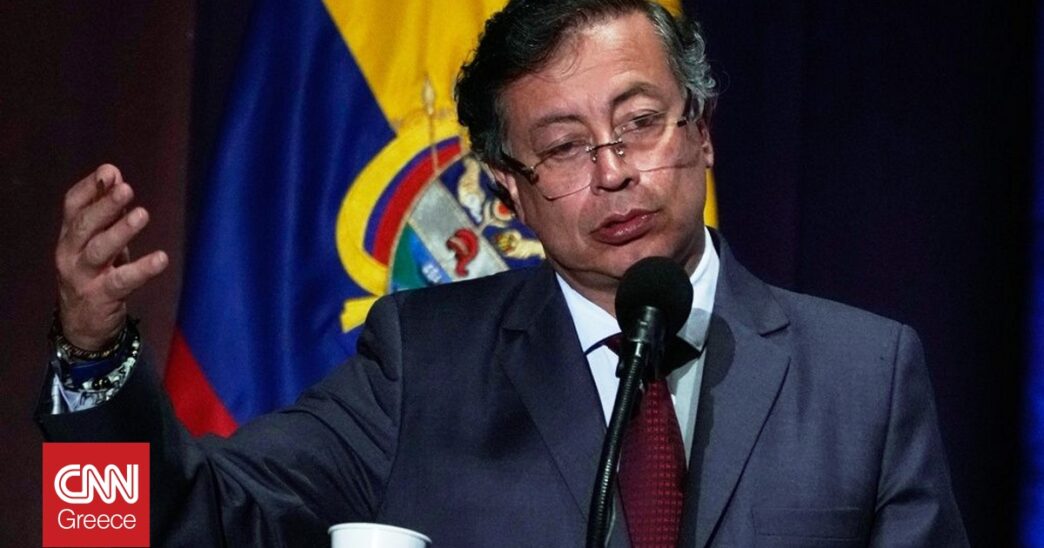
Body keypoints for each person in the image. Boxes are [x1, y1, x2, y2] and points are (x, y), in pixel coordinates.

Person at [38, 0, 968, 546]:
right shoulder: (422, 367)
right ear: (510, 191)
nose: (613, 171)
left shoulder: (864, 375)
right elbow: (142, 528)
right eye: (563, 147)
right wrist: (92, 363)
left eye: (641, 123)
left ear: (702, 131)